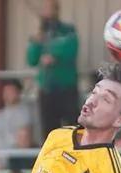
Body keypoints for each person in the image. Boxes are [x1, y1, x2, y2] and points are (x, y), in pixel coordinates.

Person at [26, 0, 79, 137]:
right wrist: (37, 41)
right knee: (49, 133)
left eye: (51, 8)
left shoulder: (67, 30)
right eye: (46, 8)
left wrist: (52, 55)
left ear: (57, 10)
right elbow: (32, 60)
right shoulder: (39, 35)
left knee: (73, 129)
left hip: (66, 88)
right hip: (46, 90)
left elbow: (71, 48)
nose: (48, 12)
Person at [0, 80, 33, 150]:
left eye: (11, 91)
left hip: (20, 155)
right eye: (6, 91)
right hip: (0, 155)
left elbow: (23, 140)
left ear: (18, 93)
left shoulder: (25, 112)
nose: (8, 94)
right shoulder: (0, 115)